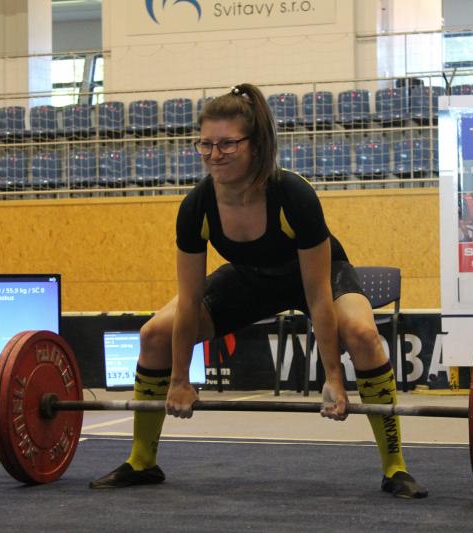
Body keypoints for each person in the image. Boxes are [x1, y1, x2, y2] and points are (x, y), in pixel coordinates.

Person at [90, 83, 427, 499]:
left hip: (317, 277)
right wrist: (179, 379)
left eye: (227, 144)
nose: (214, 154)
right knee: (155, 334)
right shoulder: (196, 207)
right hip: (249, 278)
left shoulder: (293, 195)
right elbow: (190, 300)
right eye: (206, 144)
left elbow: (317, 294)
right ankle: (142, 461)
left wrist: (334, 378)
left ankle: (395, 467)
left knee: (363, 334)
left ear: (256, 144)